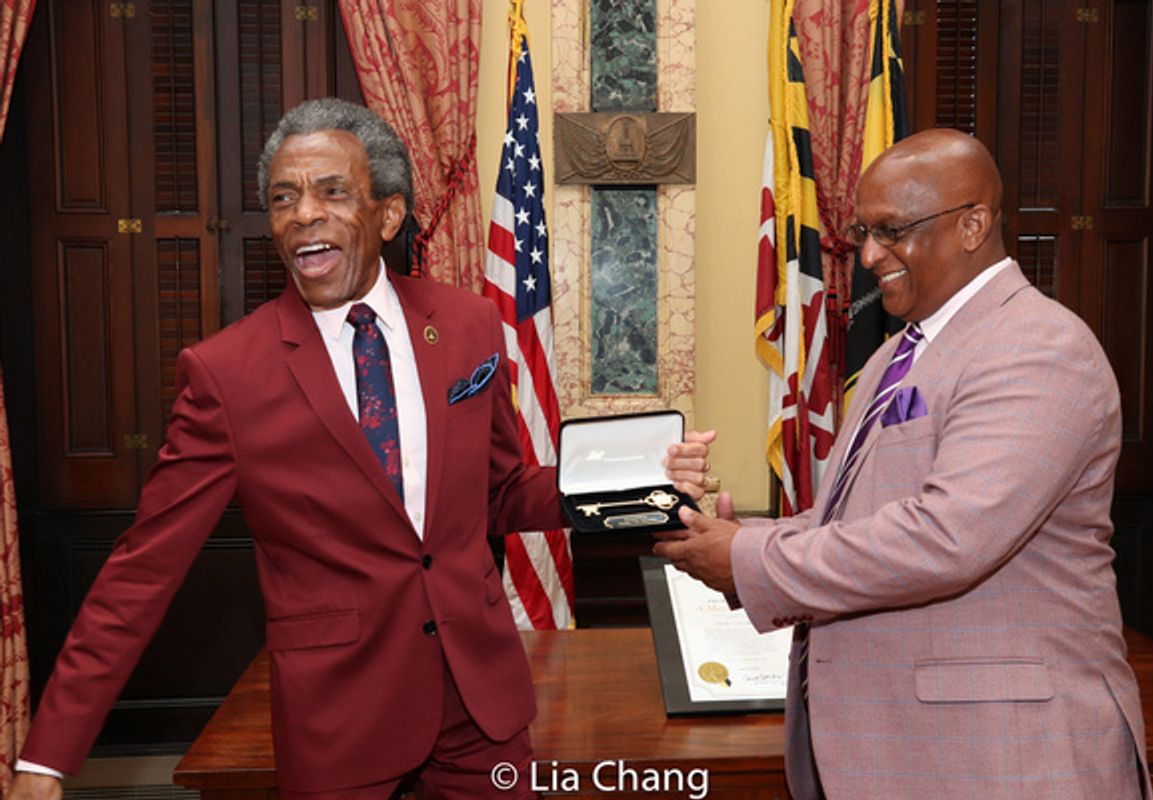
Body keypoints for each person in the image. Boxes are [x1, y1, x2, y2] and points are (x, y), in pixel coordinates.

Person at [9, 98, 713, 800]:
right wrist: (48, 757)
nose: (303, 213)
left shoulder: (467, 326)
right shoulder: (226, 374)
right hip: (340, 722)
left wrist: (637, 478)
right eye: (284, 198)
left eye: (331, 191)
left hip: (480, 709)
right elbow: (143, 568)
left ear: (388, 215)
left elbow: (498, 493)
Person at [655, 128, 1152, 800]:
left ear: (973, 223)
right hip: (904, 753)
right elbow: (860, 519)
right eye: (864, 231)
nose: (867, 255)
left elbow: (947, 537)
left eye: (891, 231)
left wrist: (750, 561)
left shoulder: (1038, 347)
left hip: (1006, 762)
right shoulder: (899, 355)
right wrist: (740, 542)